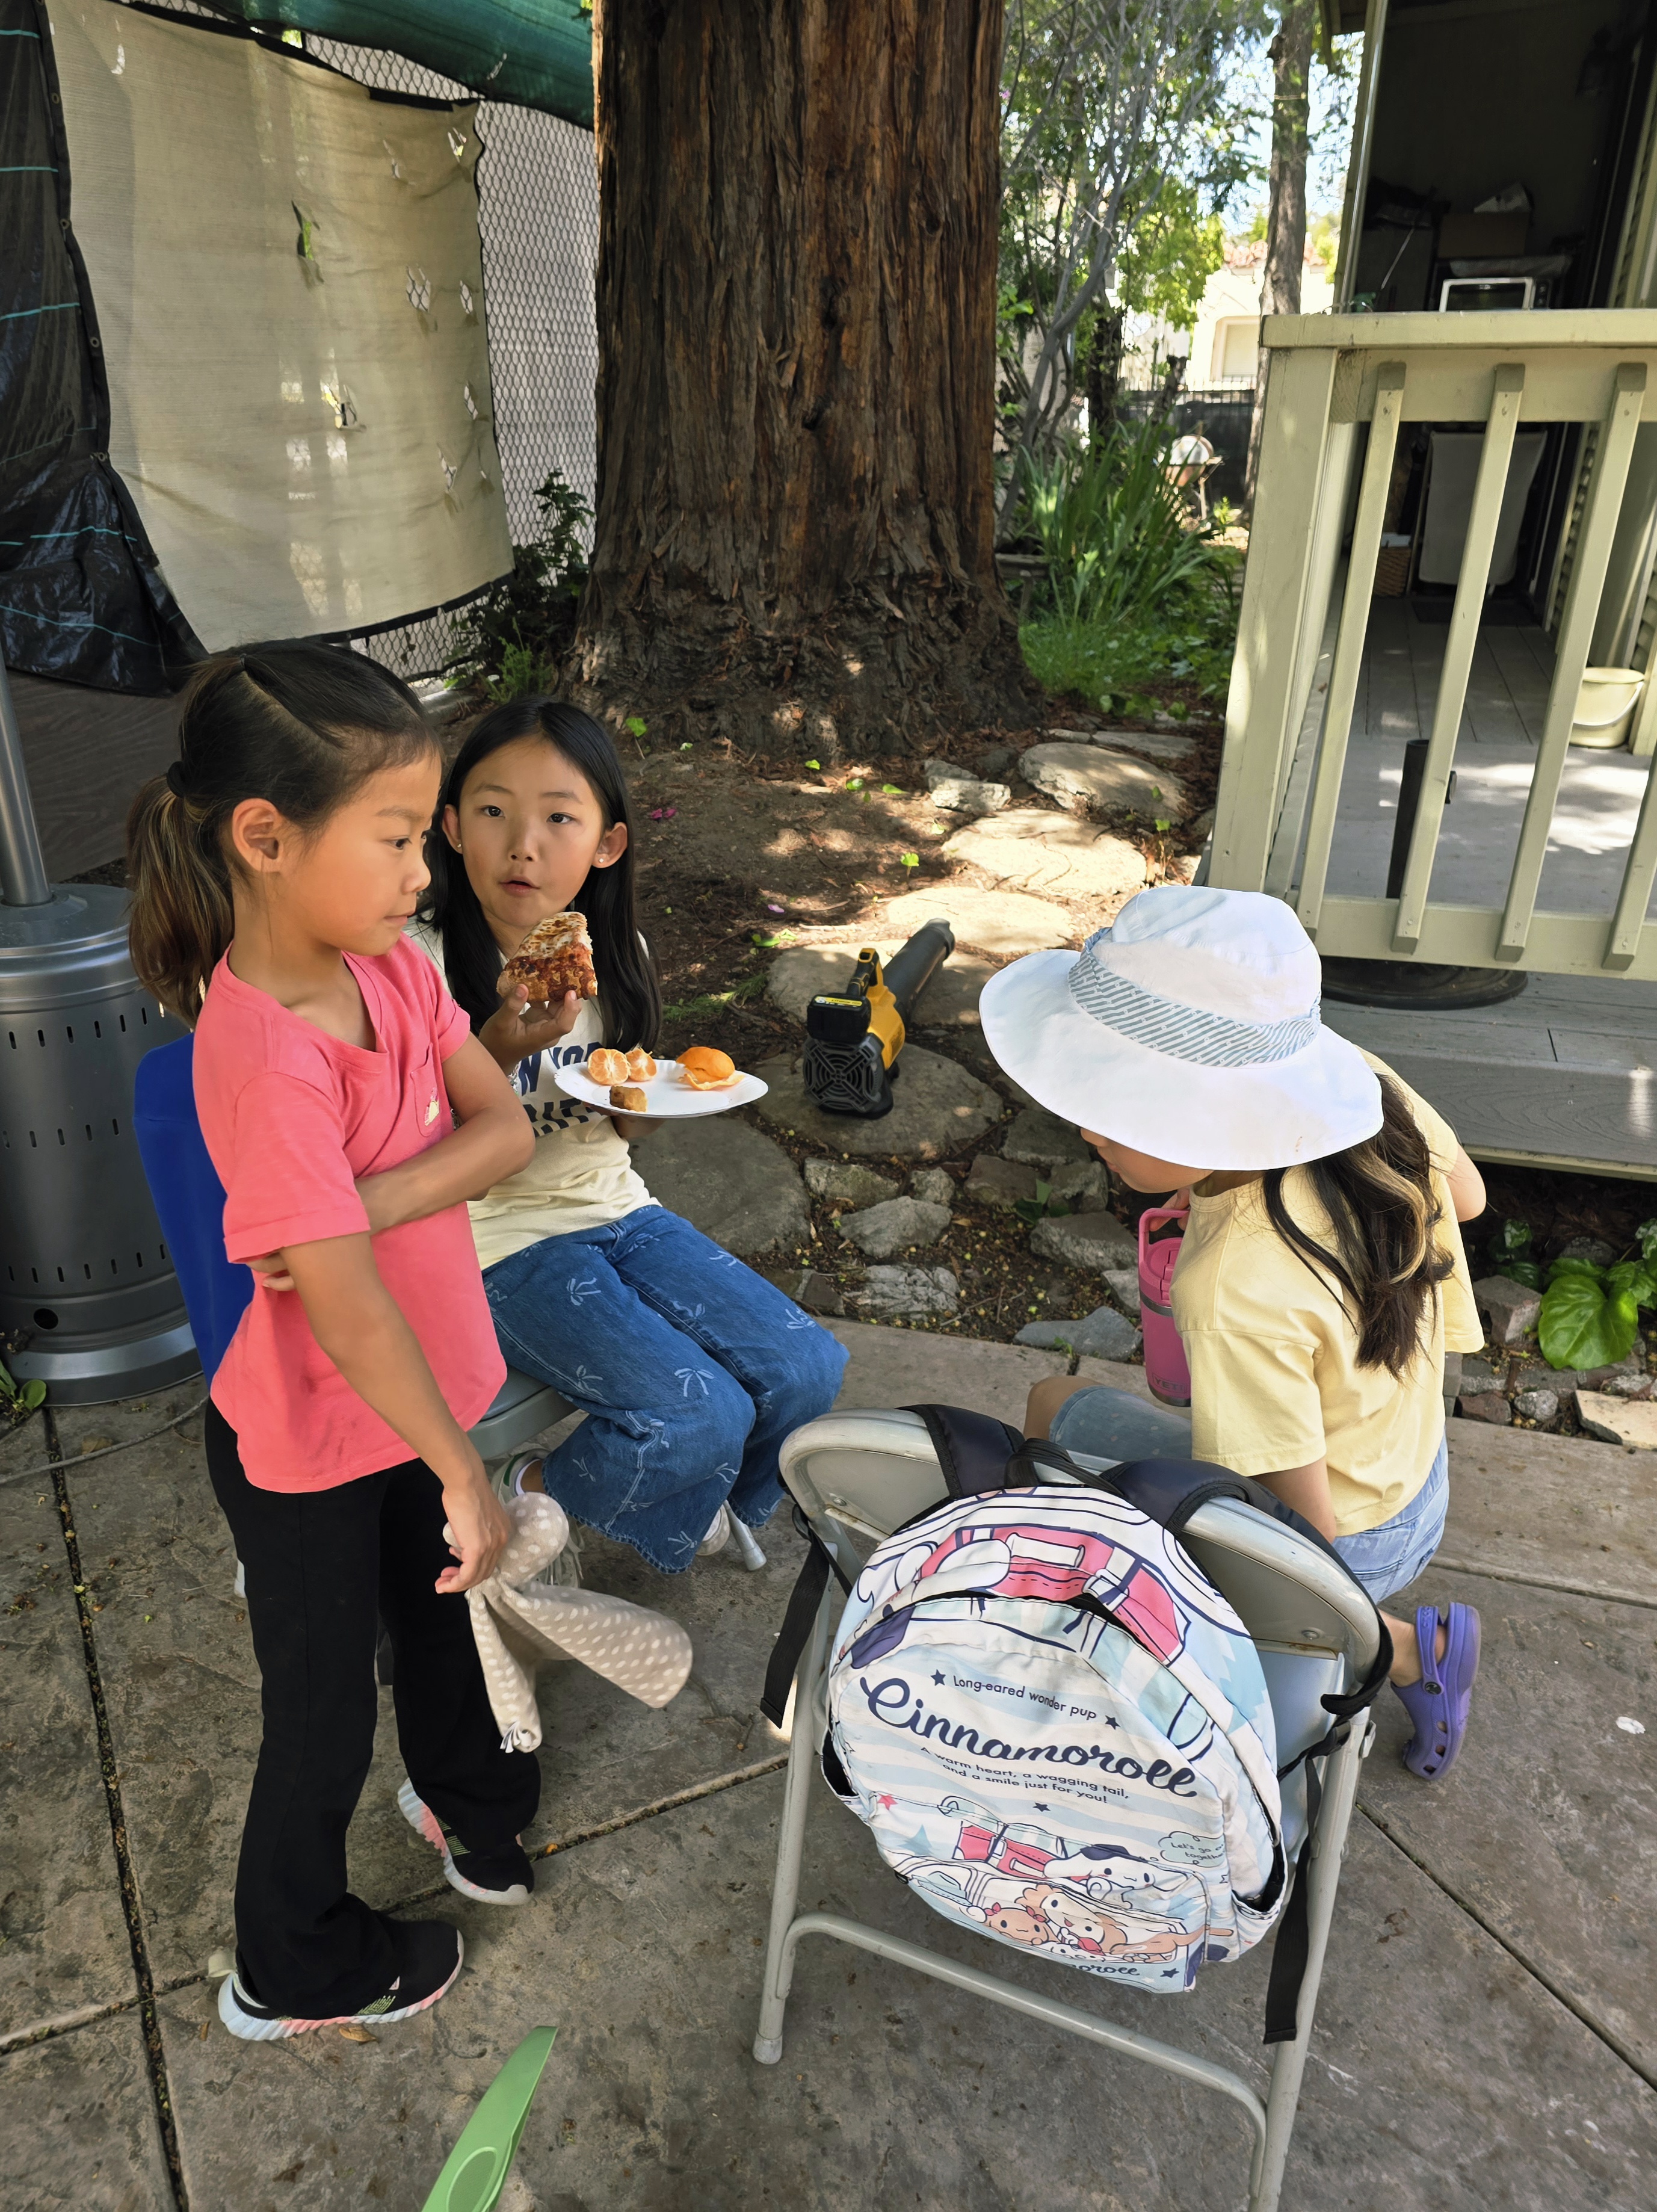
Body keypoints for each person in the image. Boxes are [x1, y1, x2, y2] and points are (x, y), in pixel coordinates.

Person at [126, 643, 542, 2042]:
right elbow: (340, 1304)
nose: (427, 870)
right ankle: (288, 1960)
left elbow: (505, 1125)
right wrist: (464, 1468)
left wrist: (355, 1206)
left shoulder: (398, 969)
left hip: (407, 1402)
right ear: (265, 836)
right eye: (397, 837)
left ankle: (464, 1797)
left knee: (437, 1608)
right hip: (307, 1437)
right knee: (318, 1714)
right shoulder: (257, 1053)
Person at [981, 885, 1486, 1782]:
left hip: (1353, 1539)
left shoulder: (1234, 1286)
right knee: (1057, 1399)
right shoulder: (1362, 1088)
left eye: (1122, 1102)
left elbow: (1302, 1542)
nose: (1089, 1126)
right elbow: (1469, 1197)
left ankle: (1405, 1653)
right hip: (1412, 1472)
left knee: (1049, 1427)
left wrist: (1309, 1631)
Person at [410, 695, 847, 1573]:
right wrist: (492, 1047)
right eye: (493, 812)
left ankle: (692, 1497)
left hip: (618, 1211)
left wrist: (636, 1110)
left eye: (558, 818)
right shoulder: (419, 964)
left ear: (607, 843)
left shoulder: (617, 953)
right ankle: (533, 1498)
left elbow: (615, 1121)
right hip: (494, 1242)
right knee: (700, 1413)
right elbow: (407, 1146)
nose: (522, 844)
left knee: (806, 1367)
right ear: (452, 828)